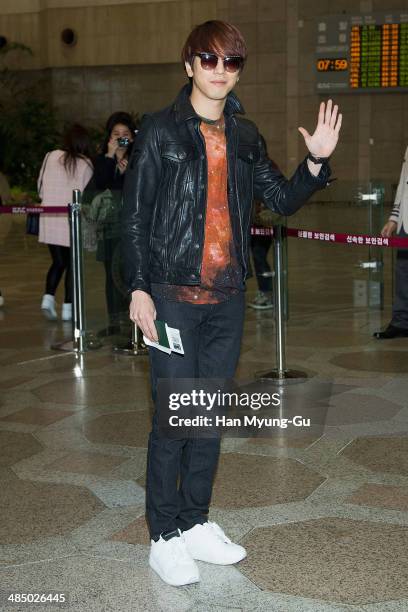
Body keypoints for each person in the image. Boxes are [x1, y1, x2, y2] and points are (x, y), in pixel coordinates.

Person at [123, 20, 341, 587]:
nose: (221, 70)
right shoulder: (160, 131)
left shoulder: (245, 138)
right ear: (188, 65)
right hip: (170, 295)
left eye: (231, 61)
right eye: (209, 59)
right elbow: (136, 216)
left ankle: (194, 521)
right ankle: (164, 534)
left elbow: (283, 200)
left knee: (208, 415)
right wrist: (138, 286)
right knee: (175, 417)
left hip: (226, 298)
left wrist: (315, 163)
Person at [38, 124, 93, 321]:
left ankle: (48, 297)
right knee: (72, 265)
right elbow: (87, 198)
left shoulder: (50, 156)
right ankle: (68, 308)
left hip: (49, 218)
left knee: (58, 262)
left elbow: (40, 188)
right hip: (72, 222)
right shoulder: (86, 164)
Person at [90, 112, 136, 336]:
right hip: (109, 227)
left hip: (130, 227)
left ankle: (134, 323)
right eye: (115, 134)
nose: (120, 139)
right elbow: (100, 184)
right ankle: (114, 323)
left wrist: (127, 173)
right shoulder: (102, 159)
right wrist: (110, 157)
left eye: (125, 134)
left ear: (133, 137)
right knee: (110, 277)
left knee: (130, 275)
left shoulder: (138, 158)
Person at [374, 145, 408, 339]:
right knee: (403, 271)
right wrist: (394, 218)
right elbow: (404, 182)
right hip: (405, 219)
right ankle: (401, 322)